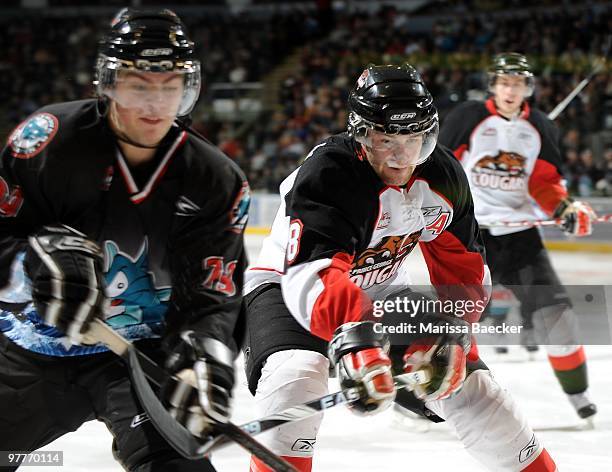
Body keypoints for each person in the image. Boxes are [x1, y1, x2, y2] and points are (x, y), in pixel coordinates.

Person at [243, 64, 557, 471]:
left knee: (480, 395)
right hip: (289, 290)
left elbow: (464, 271)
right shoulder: (329, 174)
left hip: (384, 293)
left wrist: (453, 331)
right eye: (384, 138)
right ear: (360, 133)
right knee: (295, 383)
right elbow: (314, 275)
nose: (401, 156)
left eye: (415, 139)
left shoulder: (443, 177)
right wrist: (356, 333)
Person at [0, 9, 249, 471]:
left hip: (138, 360)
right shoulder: (49, 142)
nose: (155, 105)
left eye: (169, 86)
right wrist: (32, 263)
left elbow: (212, 297)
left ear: (187, 88)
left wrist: (204, 356)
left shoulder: (215, 180)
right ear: (109, 83)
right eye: (139, 86)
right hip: (31, 350)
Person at [438, 52, 597, 419]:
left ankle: (578, 394)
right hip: (470, 236)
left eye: (518, 83)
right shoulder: (468, 118)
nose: (511, 90)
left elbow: (545, 183)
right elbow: (440, 168)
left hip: (521, 236)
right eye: (504, 82)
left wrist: (565, 209)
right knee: (451, 323)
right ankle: (421, 395)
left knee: (557, 316)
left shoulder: (540, 127)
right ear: (492, 84)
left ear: (528, 88)